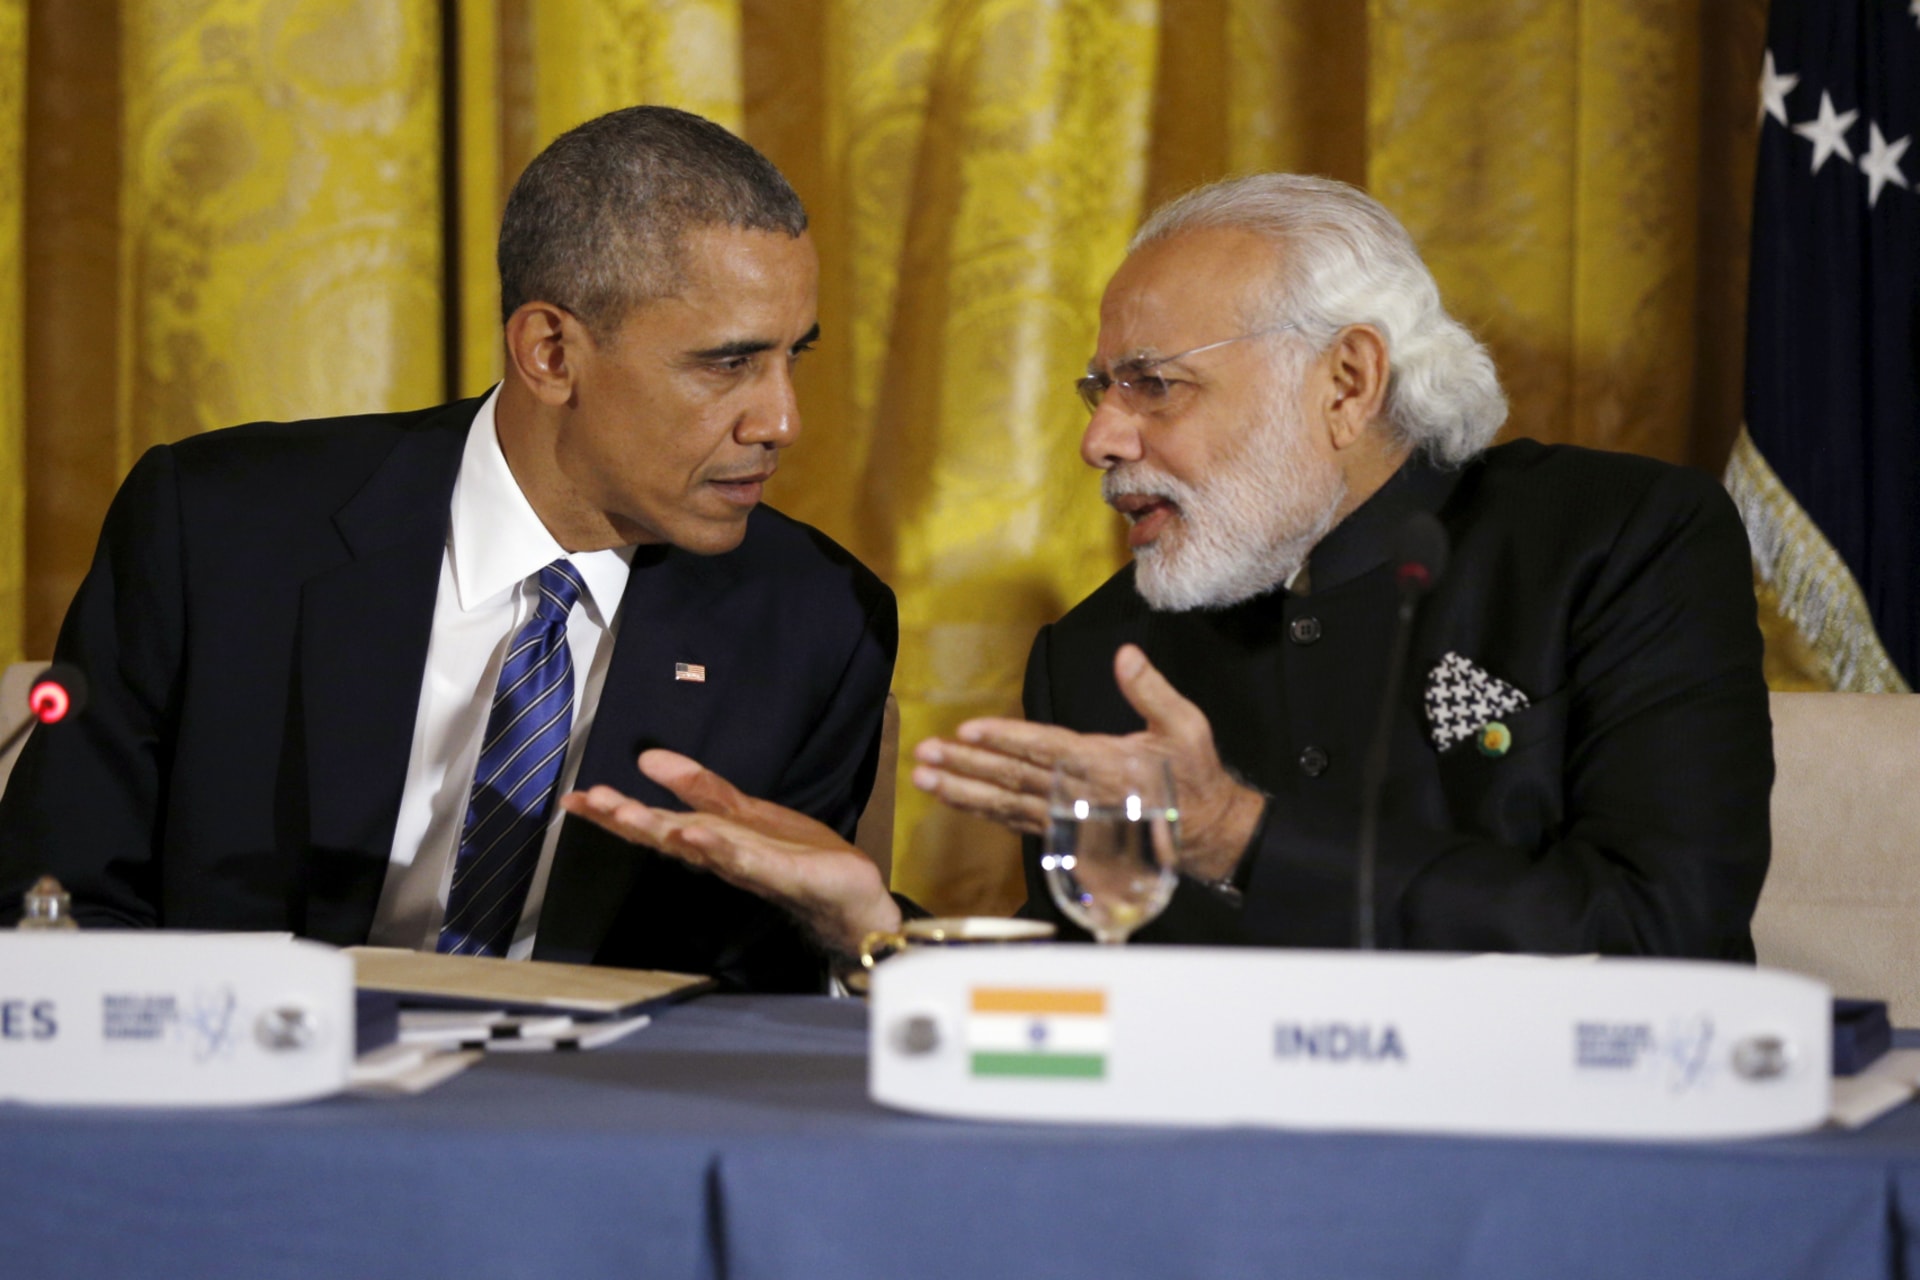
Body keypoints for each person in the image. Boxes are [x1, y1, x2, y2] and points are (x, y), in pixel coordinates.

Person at [560, 172, 1772, 964]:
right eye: (1100, 391)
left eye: (1154, 384)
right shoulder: (1098, 652)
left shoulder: (1624, 541)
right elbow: (1085, 1001)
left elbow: (1660, 935)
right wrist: (875, 921)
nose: (1099, 437)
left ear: (1346, 383)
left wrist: (1239, 832)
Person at [0, 107, 897, 993]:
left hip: (587, 1119)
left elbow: (758, 1005)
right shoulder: (217, 528)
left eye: (794, 357)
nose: (781, 420)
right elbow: (56, 899)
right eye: (727, 364)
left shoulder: (817, 620)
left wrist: (859, 936)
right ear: (550, 353)